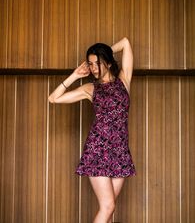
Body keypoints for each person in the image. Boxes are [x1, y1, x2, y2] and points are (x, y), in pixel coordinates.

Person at [48, 37, 136, 223]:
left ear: (109, 62)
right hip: (98, 150)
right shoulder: (90, 88)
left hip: (120, 151)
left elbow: (126, 43)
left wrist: (104, 53)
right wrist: (75, 75)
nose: (94, 67)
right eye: (91, 64)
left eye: (98, 63)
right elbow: (53, 98)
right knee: (108, 206)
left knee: (109, 208)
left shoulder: (124, 80)